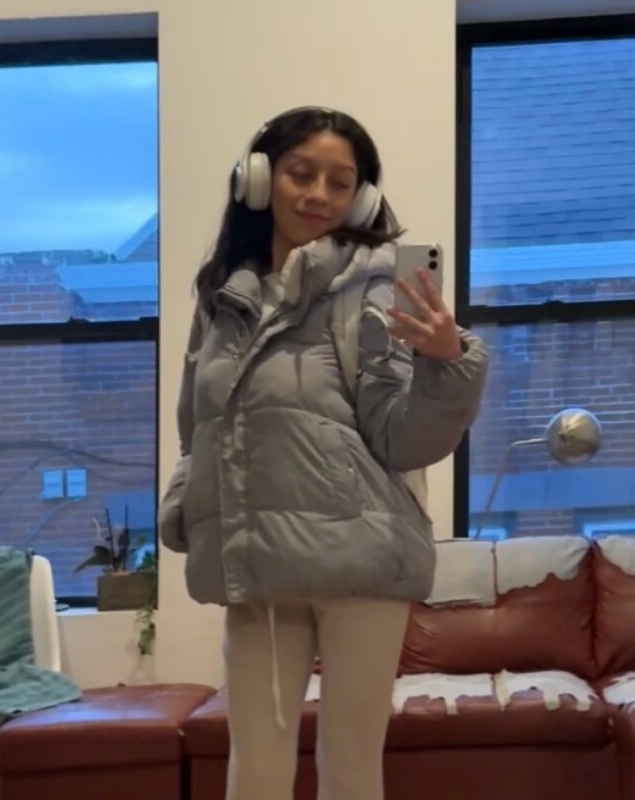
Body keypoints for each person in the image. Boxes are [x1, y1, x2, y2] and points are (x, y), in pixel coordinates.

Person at [159, 106, 488, 800]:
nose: (318, 194)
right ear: (258, 179)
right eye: (300, 173)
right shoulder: (222, 298)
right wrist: (188, 505)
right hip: (259, 561)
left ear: (361, 199)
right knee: (255, 768)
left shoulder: (375, 289)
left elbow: (403, 439)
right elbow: (199, 425)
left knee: (351, 767)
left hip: (361, 560)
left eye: (339, 182)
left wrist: (446, 362)